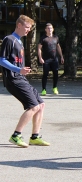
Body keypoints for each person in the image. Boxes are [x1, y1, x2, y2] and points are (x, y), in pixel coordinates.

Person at [0, 15, 50, 147]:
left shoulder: (19, 41)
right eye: (27, 27)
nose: (28, 30)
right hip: (13, 79)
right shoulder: (9, 39)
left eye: (30, 28)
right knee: (33, 106)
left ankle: (35, 136)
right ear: (19, 25)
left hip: (20, 78)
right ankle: (16, 135)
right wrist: (18, 69)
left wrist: (22, 71)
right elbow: (2, 60)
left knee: (41, 104)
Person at [38, 23, 64, 96]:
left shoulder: (56, 37)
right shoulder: (43, 38)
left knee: (56, 73)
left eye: (51, 28)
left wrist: (61, 56)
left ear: (53, 29)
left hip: (54, 59)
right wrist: (40, 58)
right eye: (48, 28)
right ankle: (44, 89)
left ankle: (55, 88)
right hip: (46, 60)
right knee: (45, 74)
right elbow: (39, 48)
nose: (50, 29)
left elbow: (58, 47)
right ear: (45, 30)